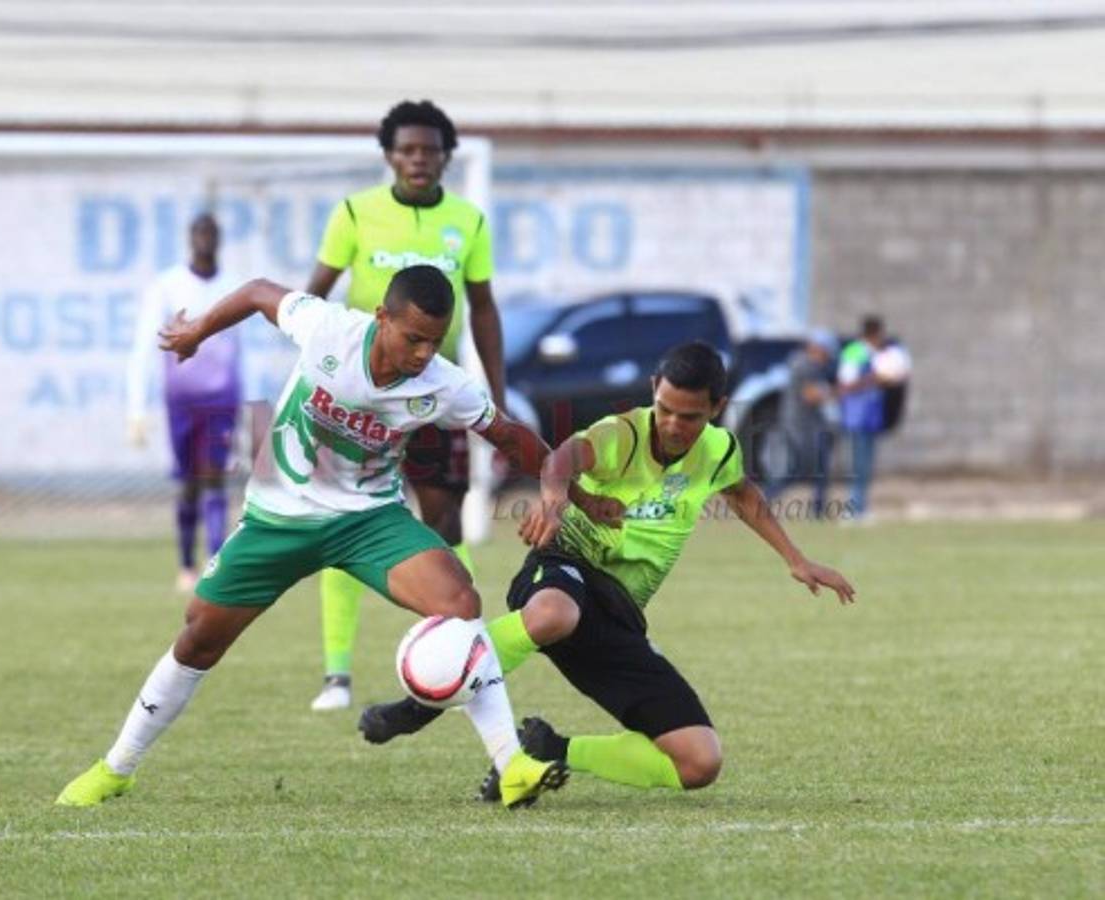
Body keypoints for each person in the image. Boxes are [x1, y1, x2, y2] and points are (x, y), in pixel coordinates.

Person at [57, 266, 568, 810]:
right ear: (381, 319)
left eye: (433, 342)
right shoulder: (329, 329)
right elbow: (256, 292)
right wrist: (198, 330)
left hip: (368, 520)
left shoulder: (444, 384)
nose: (422, 354)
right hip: (281, 514)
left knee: (460, 601)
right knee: (200, 634)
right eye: (412, 338)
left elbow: (510, 435)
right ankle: (118, 767)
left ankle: (511, 764)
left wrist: (557, 493)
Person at [358, 341, 856, 799]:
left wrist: (796, 558)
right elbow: (562, 460)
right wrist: (553, 503)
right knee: (553, 612)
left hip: (616, 615)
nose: (672, 424)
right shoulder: (622, 434)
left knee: (699, 761)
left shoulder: (718, 450)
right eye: (664, 408)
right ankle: (424, 702)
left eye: (690, 416)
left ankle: (550, 748)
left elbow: (742, 492)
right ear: (652, 394)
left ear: (717, 409)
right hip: (564, 567)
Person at [303, 99, 507, 711]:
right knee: (341, 523)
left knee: (444, 522)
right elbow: (313, 298)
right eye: (408, 150)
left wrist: (493, 389)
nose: (419, 159)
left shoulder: (467, 221)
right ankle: (336, 674)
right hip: (358, 400)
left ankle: (465, 652)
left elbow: (484, 307)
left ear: (446, 156)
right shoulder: (353, 214)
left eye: (430, 150)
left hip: (430, 398)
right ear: (390, 156)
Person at [126, 213, 243, 592]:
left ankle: (215, 564)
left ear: (220, 239)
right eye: (200, 232)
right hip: (181, 401)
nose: (206, 239)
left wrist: (256, 405)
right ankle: (186, 564)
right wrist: (136, 408)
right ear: (190, 238)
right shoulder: (167, 286)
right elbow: (146, 345)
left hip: (222, 400)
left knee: (215, 479)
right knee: (189, 484)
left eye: (212, 232)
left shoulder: (232, 287)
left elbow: (245, 349)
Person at [837, 316, 911, 521]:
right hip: (856, 417)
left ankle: (861, 508)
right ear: (875, 334)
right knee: (858, 466)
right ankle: (852, 509)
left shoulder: (879, 354)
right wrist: (874, 378)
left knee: (866, 466)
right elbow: (846, 385)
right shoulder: (855, 352)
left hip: (871, 416)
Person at [763, 328, 839, 520]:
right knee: (794, 472)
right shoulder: (805, 365)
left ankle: (818, 511)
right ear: (818, 349)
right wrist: (835, 392)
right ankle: (762, 501)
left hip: (806, 427)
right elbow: (810, 396)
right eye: (826, 353)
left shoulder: (804, 364)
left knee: (818, 470)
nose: (827, 358)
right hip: (801, 428)